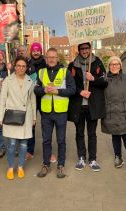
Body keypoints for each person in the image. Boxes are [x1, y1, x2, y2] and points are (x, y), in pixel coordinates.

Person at [34, 48, 76, 178]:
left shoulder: (65, 72)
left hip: (60, 112)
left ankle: (61, 166)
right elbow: (36, 90)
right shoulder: (41, 72)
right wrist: (44, 90)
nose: (51, 59)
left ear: (57, 58)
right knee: (46, 140)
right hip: (46, 112)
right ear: (46, 58)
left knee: (61, 140)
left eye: (53, 57)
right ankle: (46, 164)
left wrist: (58, 91)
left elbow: (72, 89)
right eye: (49, 57)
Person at [67, 42, 107, 172]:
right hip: (78, 105)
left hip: (92, 105)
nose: (85, 51)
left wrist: (93, 78)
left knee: (92, 133)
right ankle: (81, 157)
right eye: (82, 49)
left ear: (90, 49)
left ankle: (93, 159)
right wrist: (80, 91)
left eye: (86, 48)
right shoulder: (72, 65)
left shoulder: (97, 62)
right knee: (79, 133)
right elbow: (69, 84)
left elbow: (105, 82)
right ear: (79, 51)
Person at [0, 56, 36, 180]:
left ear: (26, 68)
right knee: (12, 144)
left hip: (26, 116)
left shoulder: (30, 81)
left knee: (24, 144)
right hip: (11, 115)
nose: (21, 68)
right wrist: (0, 117)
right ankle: (10, 167)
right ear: (15, 67)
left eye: (23, 66)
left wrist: (34, 117)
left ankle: (20, 166)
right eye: (19, 65)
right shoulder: (8, 81)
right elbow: (2, 99)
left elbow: (32, 100)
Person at [101, 56, 126, 169]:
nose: (114, 66)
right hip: (111, 113)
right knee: (115, 136)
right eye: (112, 64)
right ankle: (118, 156)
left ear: (120, 66)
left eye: (116, 64)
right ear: (108, 66)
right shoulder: (104, 80)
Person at [25, 42, 46, 160]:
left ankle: (47, 150)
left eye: (38, 50)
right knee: (31, 125)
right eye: (34, 50)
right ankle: (30, 150)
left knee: (46, 125)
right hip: (31, 98)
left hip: (44, 98)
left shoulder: (46, 64)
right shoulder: (27, 64)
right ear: (31, 52)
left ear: (41, 51)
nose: (36, 52)